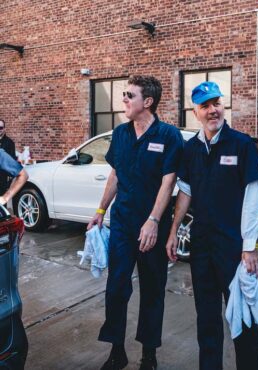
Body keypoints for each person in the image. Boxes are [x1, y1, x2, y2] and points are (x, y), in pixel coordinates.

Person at [166, 81, 258, 370]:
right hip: (202, 246)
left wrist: (251, 246)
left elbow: (253, 198)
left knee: (243, 319)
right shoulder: (191, 148)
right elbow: (185, 191)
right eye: (205, 106)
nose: (213, 111)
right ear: (195, 112)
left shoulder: (242, 144)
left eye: (217, 104)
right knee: (206, 319)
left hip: (235, 248)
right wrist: (174, 231)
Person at [87, 75, 183, 370]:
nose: (124, 100)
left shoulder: (168, 135)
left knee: (153, 289)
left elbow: (169, 182)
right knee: (116, 287)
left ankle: (149, 355)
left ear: (148, 102)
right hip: (123, 224)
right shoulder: (121, 133)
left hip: (152, 227)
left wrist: (154, 221)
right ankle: (117, 350)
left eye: (129, 95)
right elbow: (115, 174)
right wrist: (101, 210)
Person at [0, 119, 17, 195]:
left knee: (2, 202)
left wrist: (10, 176)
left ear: (4, 129)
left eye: (0, 128)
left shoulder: (10, 143)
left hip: (3, 178)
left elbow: (13, 160)